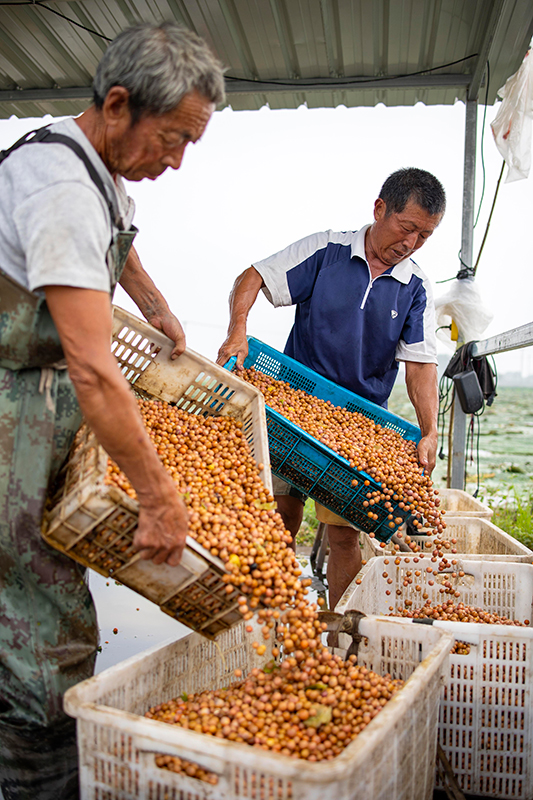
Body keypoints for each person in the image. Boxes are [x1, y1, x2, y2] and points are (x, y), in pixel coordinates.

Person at [0, 21, 225, 799]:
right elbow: (96, 371)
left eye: (189, 141)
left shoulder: (92, 165)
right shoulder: (60, 187)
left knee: (36, 587)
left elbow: (113, 244)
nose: (176, 159)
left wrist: (155, 304)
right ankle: (39, 775)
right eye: (172, 137)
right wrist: (161, 499)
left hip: (38, 396)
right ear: (120, 104)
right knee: (33, 618)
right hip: (9, 405)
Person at [217, 168, 445, 613]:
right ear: (380, 209)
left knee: (343, 533)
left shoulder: (415, 286)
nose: (411, 243)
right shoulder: (327, 250)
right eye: (407, 228)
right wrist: (237, 329)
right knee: (279, 515)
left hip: (357, 424)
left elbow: (420, 365)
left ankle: (340, 633)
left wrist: (430, 430)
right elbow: (253, 277)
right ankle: (268, 618)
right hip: (291, 408)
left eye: (424, 236)